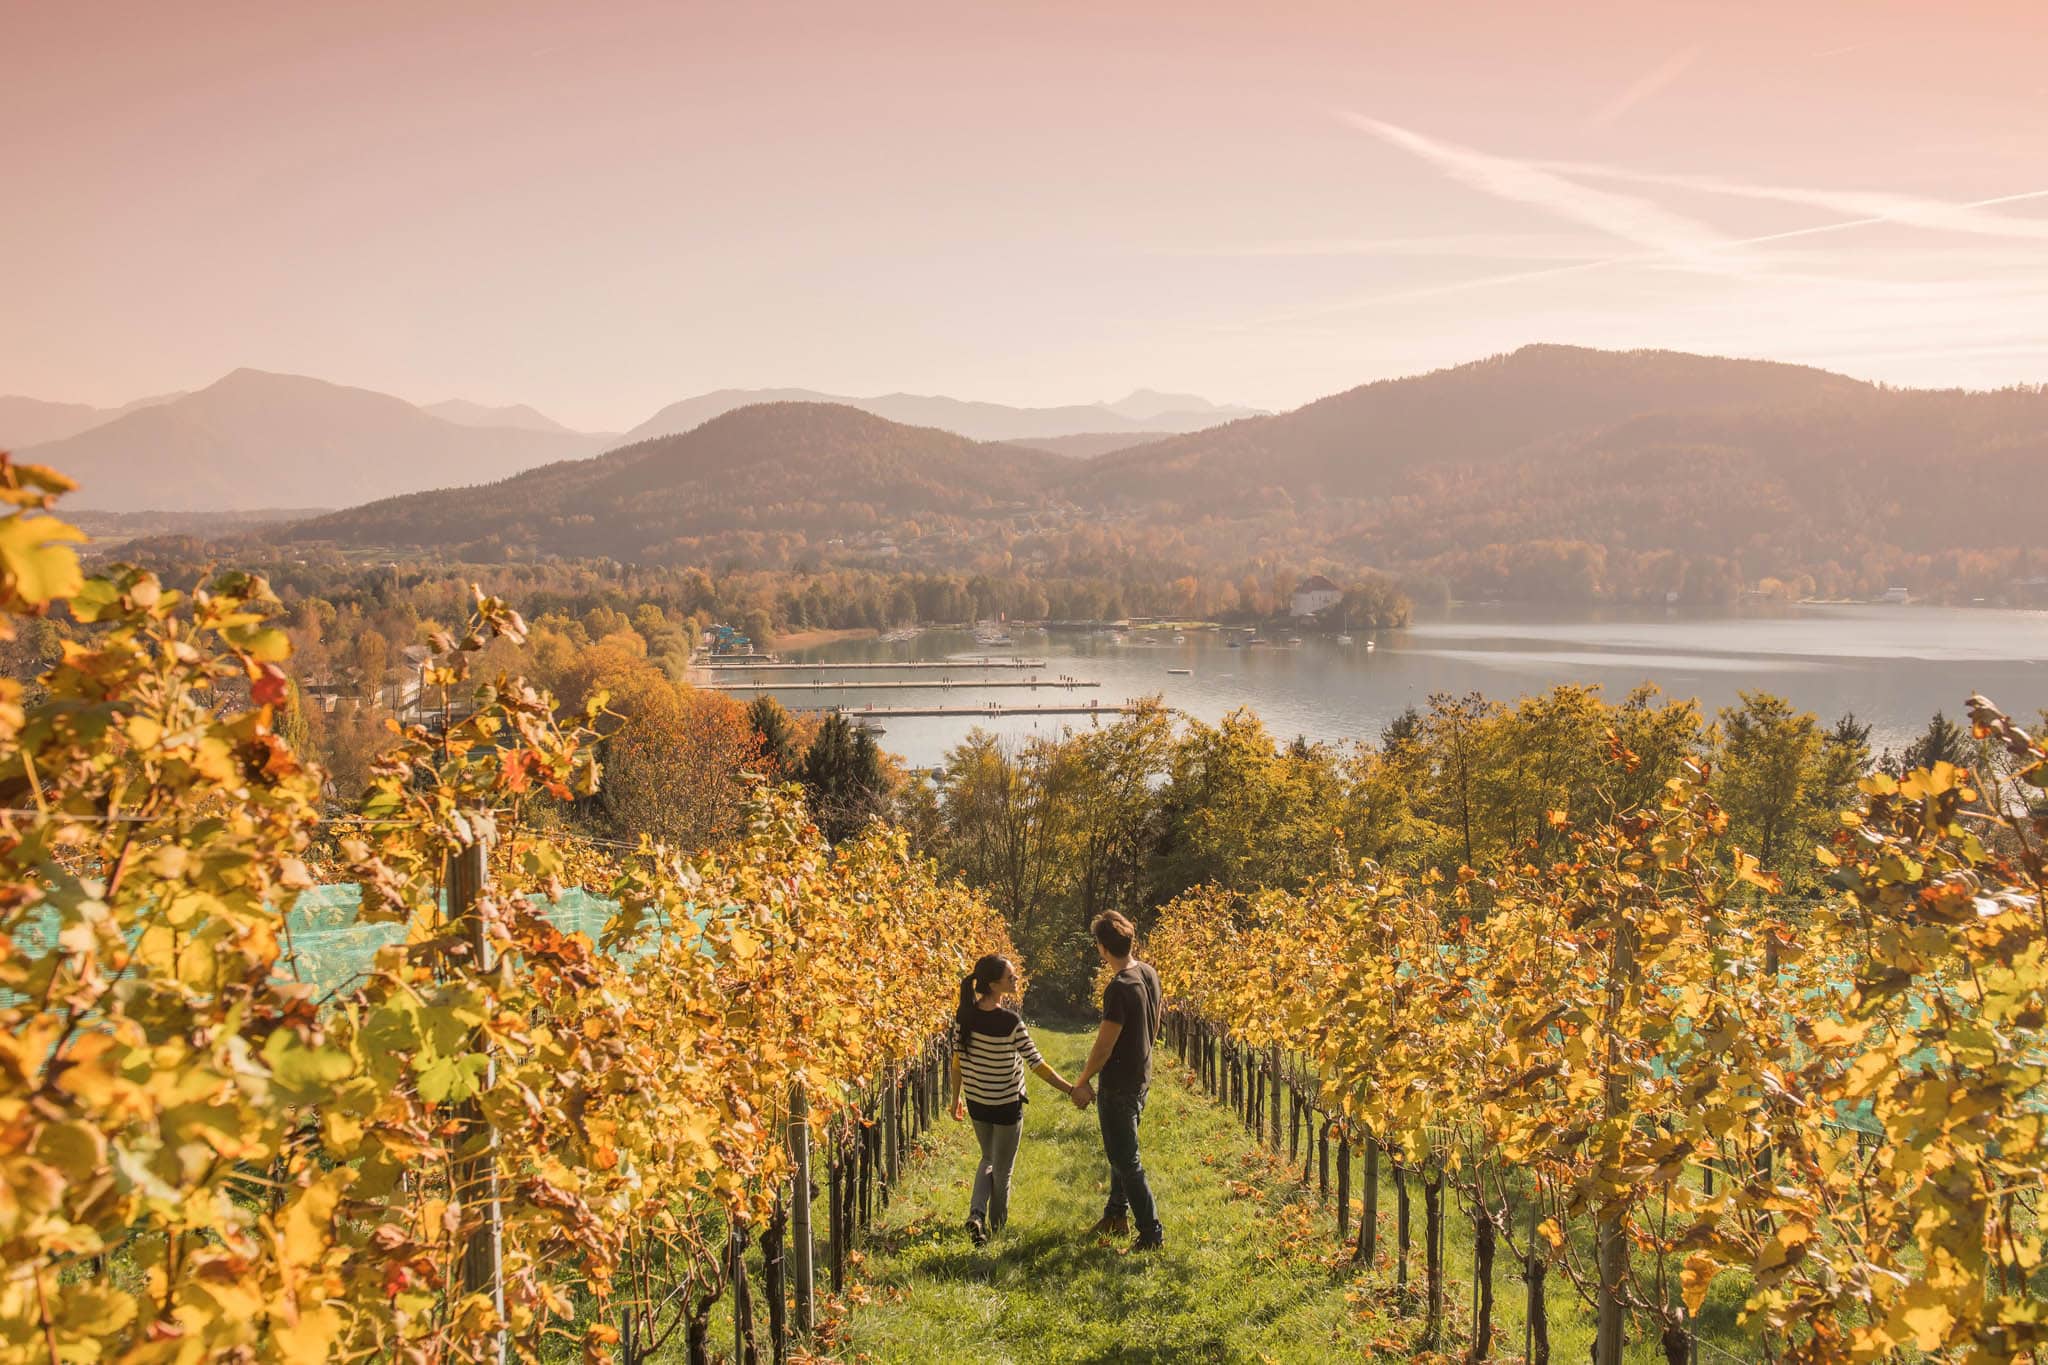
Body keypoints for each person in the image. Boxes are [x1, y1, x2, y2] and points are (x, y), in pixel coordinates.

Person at [948, 954, 1076, 1246]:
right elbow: (1037, 1064)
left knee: (988, 1158)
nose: (1016, 979)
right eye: (1011, 977)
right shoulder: (1010, 1022)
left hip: (978, 1102)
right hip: (1006, 1104)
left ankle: (976, 1215)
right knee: (1002, 1170)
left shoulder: (964, 1014)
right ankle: (996, 1231)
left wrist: (956, 1099)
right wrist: (1070, 1089)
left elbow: (957, 1061)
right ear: (994, 985)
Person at [1069, 910, 1164, 1251]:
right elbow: (1154, 1023)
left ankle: (1151, 1233)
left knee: (1126, 1160)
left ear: (1101, 949)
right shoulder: (1148, 974)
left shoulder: (1120, 987)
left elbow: (1104, 1044)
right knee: (1121, 1153)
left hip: (1119, 1084)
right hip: (1140, 1077)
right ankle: (1115, 1215)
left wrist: (1082, 1081)